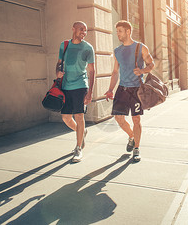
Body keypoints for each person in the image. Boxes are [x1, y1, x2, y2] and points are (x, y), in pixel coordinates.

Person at [104, 20, 154, 162]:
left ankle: (136, 148)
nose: (118, 34)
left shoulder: (140, 47)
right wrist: (110, 89)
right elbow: (115, 72)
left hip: (136, 89)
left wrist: (143, 70)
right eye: (117, 31)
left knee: (136, 119)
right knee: (118, 118)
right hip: (122, 88)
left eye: (120, 31)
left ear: (128, 31)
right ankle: (132, 136)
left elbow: (152, 64)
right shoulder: (117, 51)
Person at [56, 21, 95, 163]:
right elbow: (59, 62)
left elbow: (92, 70)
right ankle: (82, 131)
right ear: (73, 29)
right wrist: (57, 72)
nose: (83, 32)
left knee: (79, 116)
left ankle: (78, 148)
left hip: (80, 85)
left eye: (85, 30)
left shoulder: (88, 48)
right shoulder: (64, 45)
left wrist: (90, 92)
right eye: (81, 29)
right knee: (66, 117)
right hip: (66, 85)